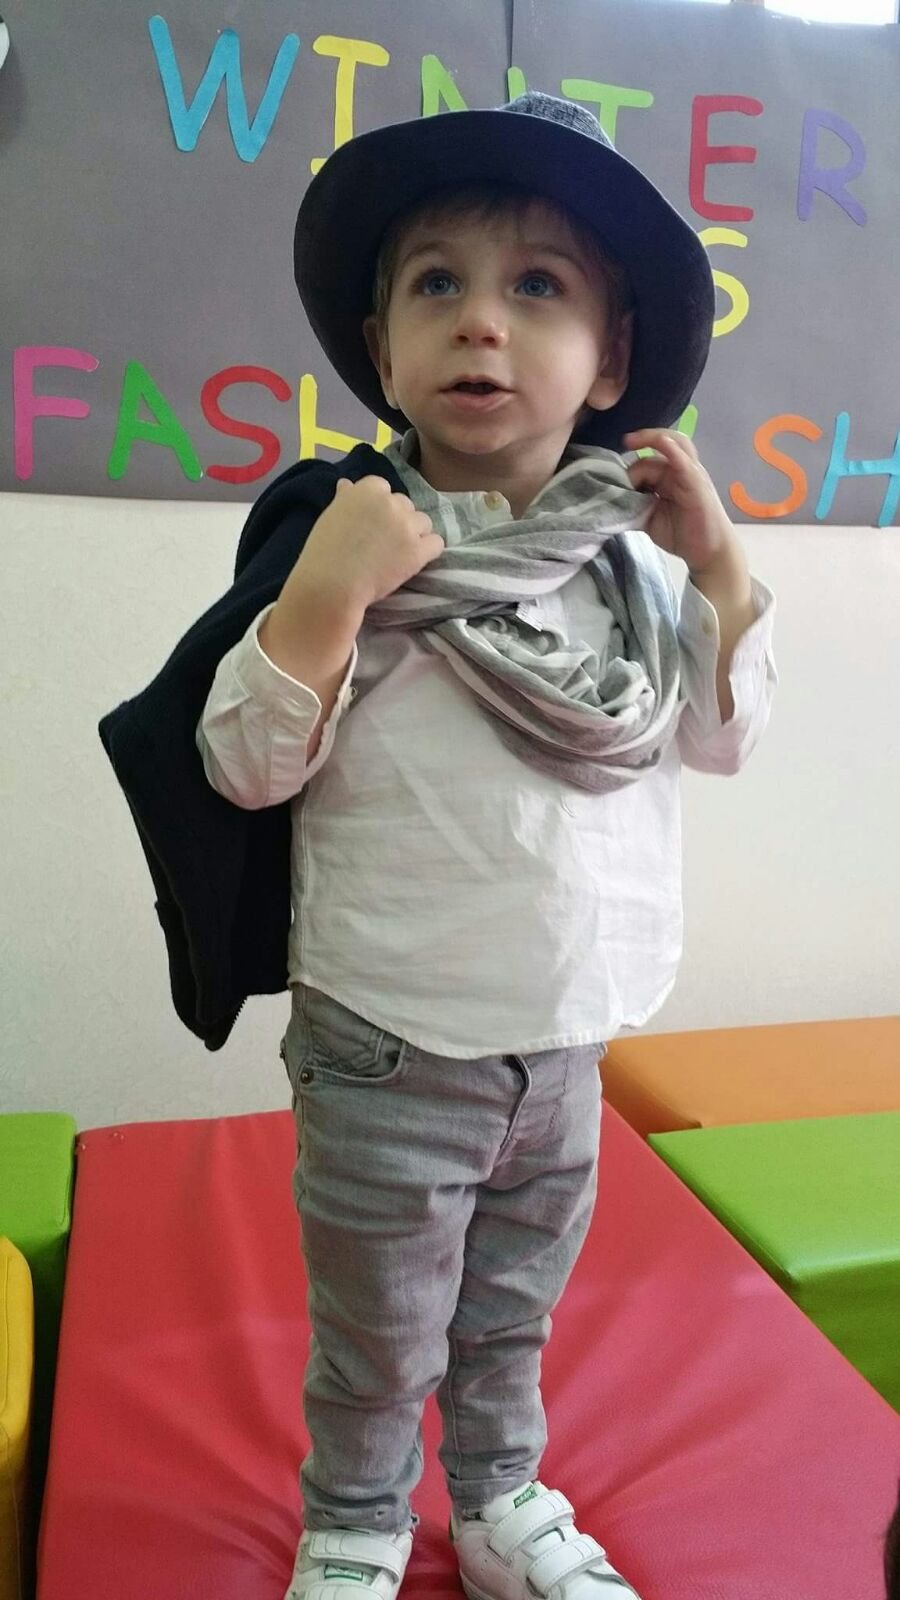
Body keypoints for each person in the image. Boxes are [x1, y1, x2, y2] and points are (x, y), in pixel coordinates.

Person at [177, 92, 779, 1600]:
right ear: (382, 351)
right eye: (436, 282)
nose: (482, 322)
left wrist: (721, 569)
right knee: (380, 1328)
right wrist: (325, 601)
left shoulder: (636, 573)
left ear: (611, 362)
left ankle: (502, 1498)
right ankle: (357, 1522)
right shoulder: (346, 538)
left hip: (564, 1044)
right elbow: (241, 767)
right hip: (389, 1040)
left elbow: (721, 737)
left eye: (539, 286)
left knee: (511, 1315)